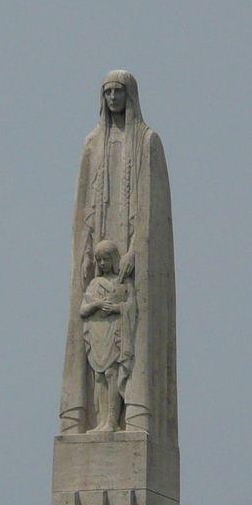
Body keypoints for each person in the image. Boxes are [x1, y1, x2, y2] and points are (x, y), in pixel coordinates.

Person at [58, 71, 178, 444]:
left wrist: (137, 249)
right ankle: (97, 417)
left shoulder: (147, 142)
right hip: (99, 258)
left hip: (132, 256)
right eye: (107, 92)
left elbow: (152, 208)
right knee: (95, 350)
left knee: (131, 340)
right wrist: (85, 252)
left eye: (118, 92)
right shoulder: (92, 145)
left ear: (131, 96)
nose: (112, 98)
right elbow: (83, 210)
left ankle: (130, 416)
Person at [78, 240, 135, 433]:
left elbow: (131, 306)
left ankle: (112, 420)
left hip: (114, 330)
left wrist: (115, 308)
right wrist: (97, 305)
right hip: (97, 332)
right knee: (99, 377)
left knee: (112, 373)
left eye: (105, 259)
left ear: (113, 259)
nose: (102, 264)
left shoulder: (122, 281)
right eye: (99, 260)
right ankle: (101, 421)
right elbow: (83, 310)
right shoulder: (94, 283)